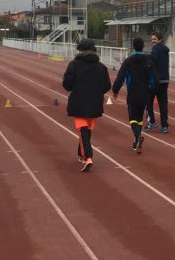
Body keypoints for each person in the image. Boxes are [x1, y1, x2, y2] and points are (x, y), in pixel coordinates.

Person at [62, 38, 112, 171]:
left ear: (79, 50)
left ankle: (88, 157)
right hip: (95, 101)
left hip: (78, 101)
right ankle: (81, 153)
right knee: (86, 129)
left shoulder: (74, 65)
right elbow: (107, 85)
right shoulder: (101, 67)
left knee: (83, 129)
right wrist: (96, 91)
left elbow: (67, 84)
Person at [112, 36, 156, 153]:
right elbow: (153, 78)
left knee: (132, 119)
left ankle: (138, 137)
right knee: (140, 118)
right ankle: (136, 142)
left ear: (133, 47)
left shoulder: (128, 61)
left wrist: (115, 90)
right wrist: (151, 91)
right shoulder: (148, 61)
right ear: (143, 47)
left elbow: (120, 77)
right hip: (144, 93)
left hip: (132, 93)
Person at [144, 31, 170, 133]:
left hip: (156, 80)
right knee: (163, 104)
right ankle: (164, 126)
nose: (152, 41)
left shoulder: (155, 48)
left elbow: (153, 58)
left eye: (154, 39)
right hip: (165, 80)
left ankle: (152, 123)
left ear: (159, 40)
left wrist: (143, 58)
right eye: (152, 40)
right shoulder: (165, 50)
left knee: (148, 102)